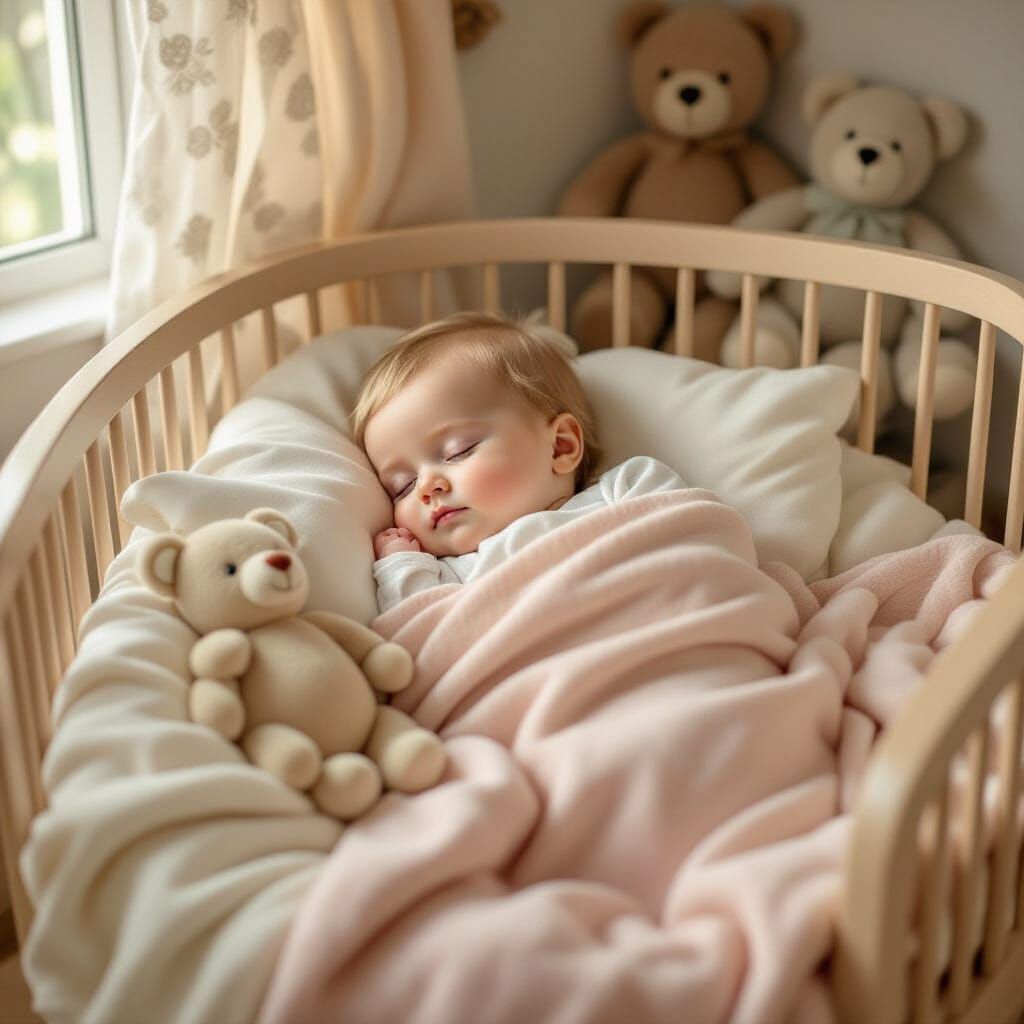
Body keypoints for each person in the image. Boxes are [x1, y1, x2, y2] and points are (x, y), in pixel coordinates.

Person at [351, 311, 688, 613]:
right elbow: (422, 630)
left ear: (560, 447)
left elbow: (690, 545)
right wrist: (401, 565)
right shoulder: (449, 576)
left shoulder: (625, 491)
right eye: (402, 487)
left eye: (459, 451)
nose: (426, 487)